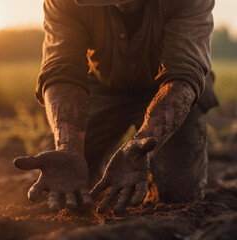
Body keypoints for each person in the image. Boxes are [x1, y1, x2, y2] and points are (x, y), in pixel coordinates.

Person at [14, 0, 219, 214]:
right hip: (102, 87)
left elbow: (183, 75)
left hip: (168, 90)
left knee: (178, 197)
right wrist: (68, 146)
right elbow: (62, 71)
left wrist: (142, 147)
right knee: (62, 183)